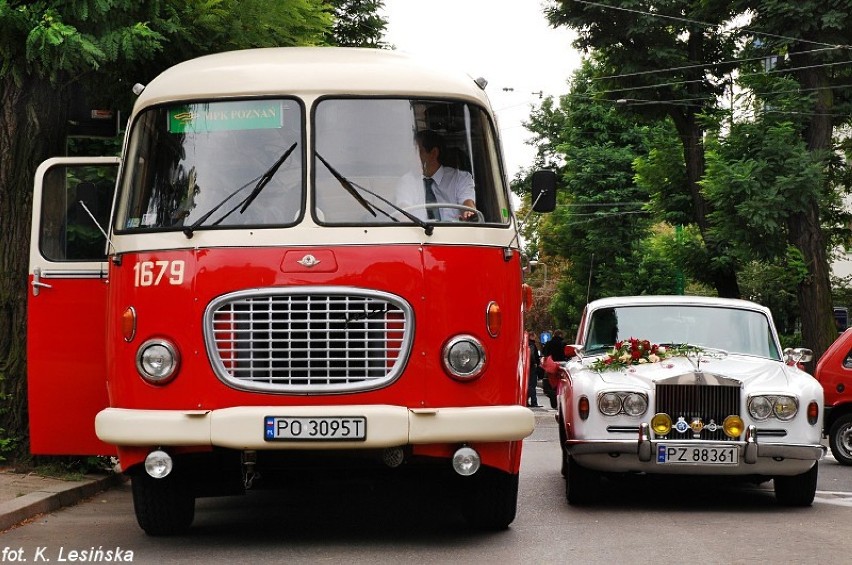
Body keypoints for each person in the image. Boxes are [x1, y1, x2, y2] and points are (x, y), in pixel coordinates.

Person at [396, 129, 476, 221]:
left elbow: (467, 204)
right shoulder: (407, 181)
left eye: (418, 152)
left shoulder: (460, 178)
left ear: (434, 153)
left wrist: (468, 214)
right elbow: (403, 209)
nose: (412, 157)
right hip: (418, 232)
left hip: (455, 233)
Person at [527, 331, 541, 408]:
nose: (535, 338)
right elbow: (531, 354)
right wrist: (535, 363)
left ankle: (526, 401)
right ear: (531, 336)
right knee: (532, 384)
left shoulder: (526, 343)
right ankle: (534, 402)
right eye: (534, 336)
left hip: (528, 366)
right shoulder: (532, 344)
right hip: (532, 367)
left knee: (529, 385)